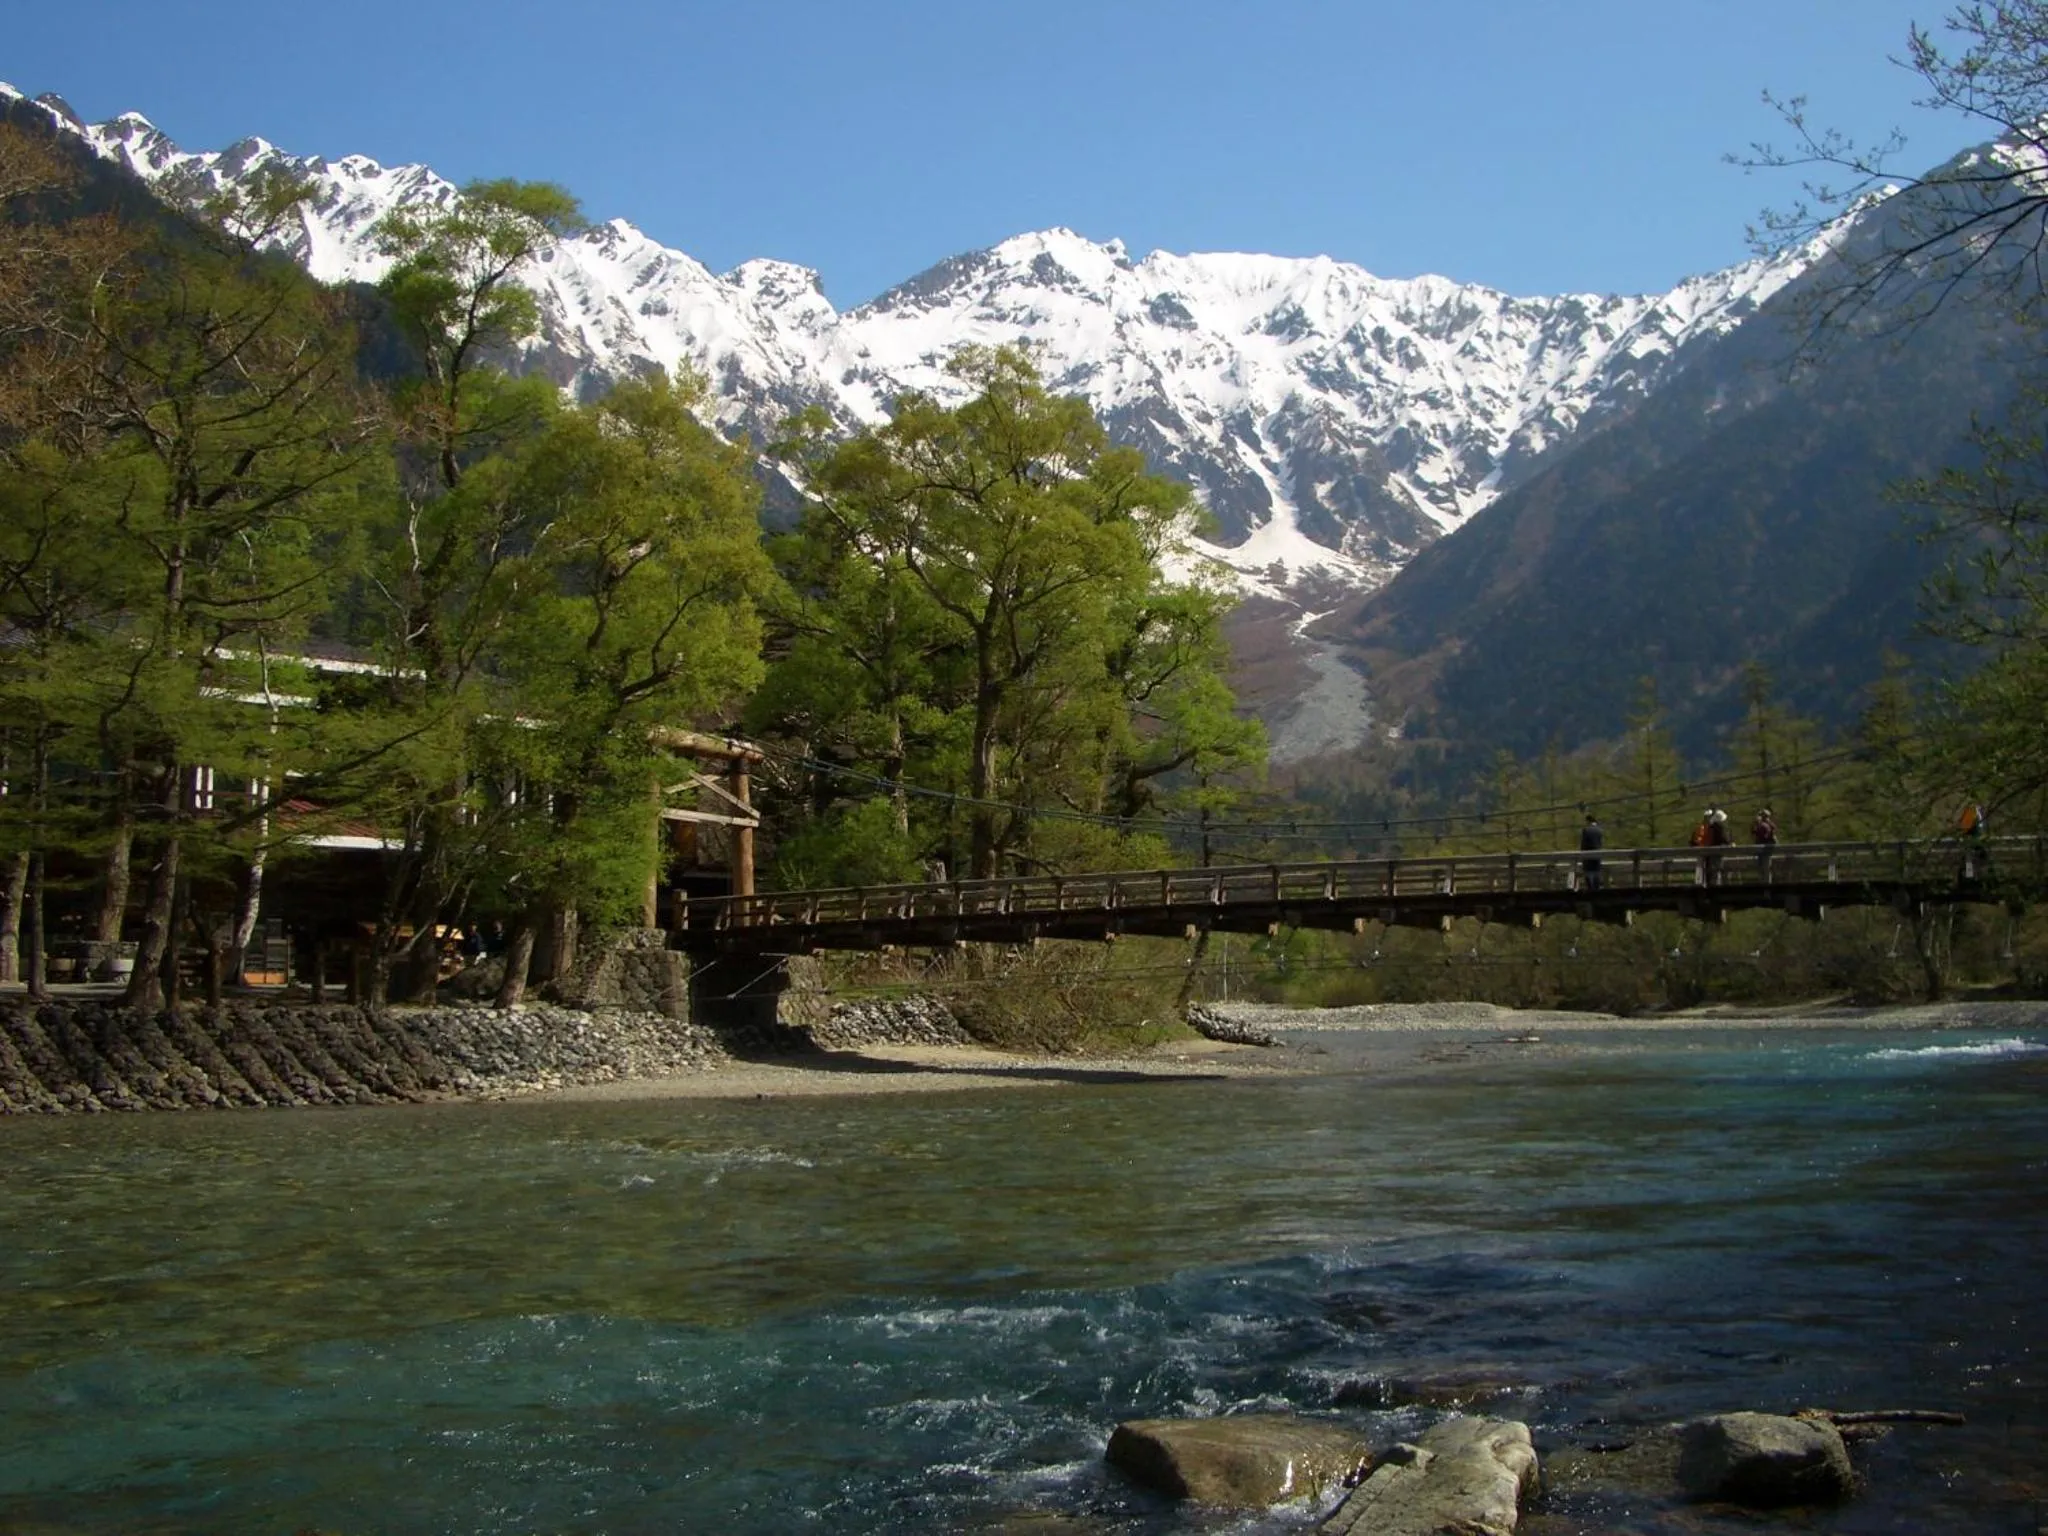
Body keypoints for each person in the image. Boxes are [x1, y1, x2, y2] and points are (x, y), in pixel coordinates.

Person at [1579, 812, 1605, 893]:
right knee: (1596, 876)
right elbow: (1600, 844)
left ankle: (1591, 892)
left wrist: (1582, 856)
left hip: (1588, 858)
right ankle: (1596, 892)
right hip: (1597, 857)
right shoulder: (1600, 830)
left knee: (1589, 878)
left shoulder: (1586, 830)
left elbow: (1583, 845)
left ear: (1588, 821)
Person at [1750, 807, 1778, 879]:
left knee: (1763, 870)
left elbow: (1754, 833)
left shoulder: (1763, 825)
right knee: (1766, 870)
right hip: (1768, 850)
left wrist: (1755, 823)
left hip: (1763, 850)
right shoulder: (1770, 825)